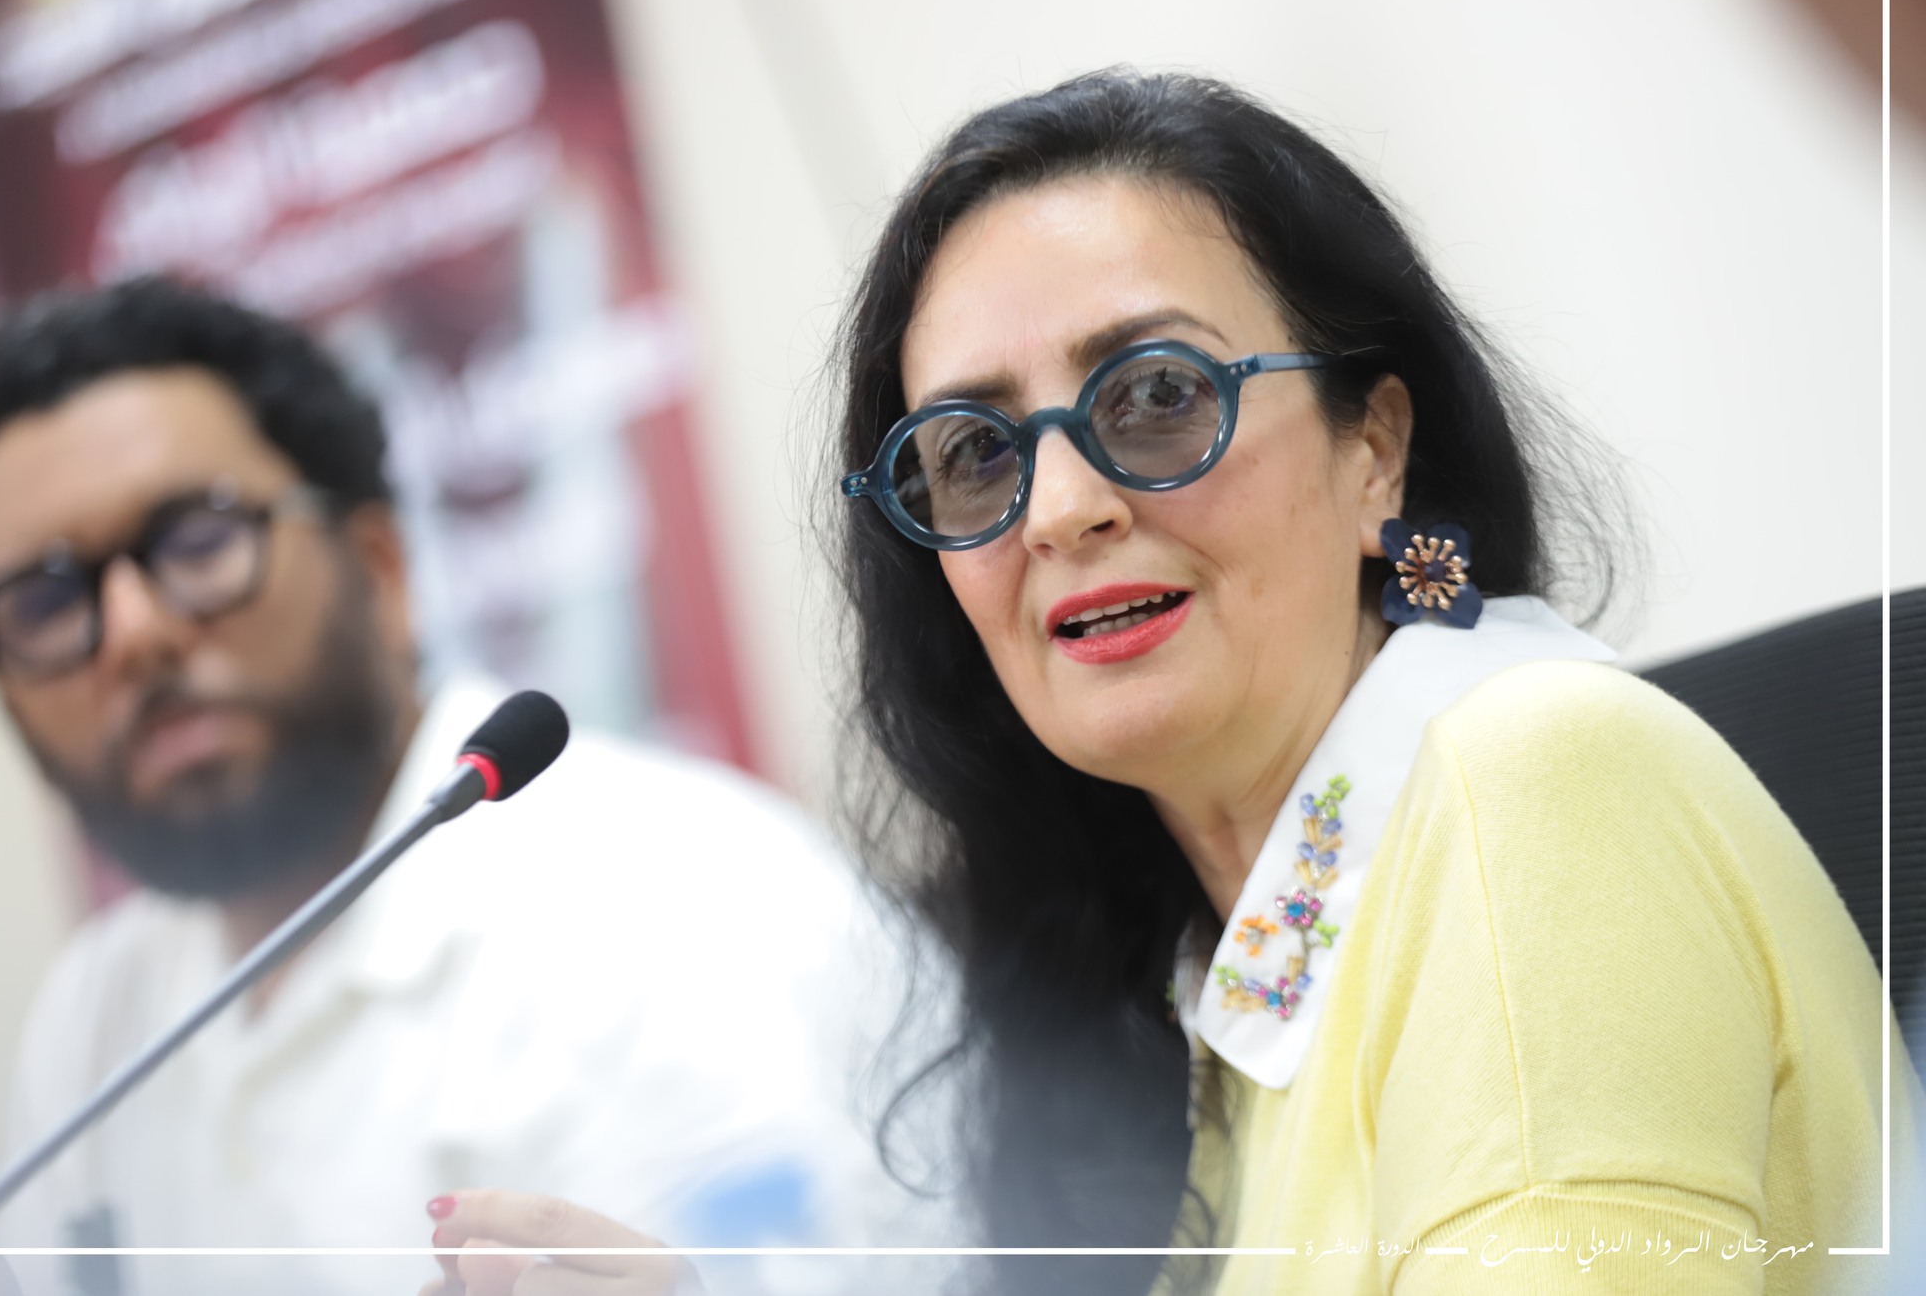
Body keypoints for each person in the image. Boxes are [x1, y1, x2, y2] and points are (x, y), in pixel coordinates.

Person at [431, 71, 1923, 1296]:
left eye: (1155, 395)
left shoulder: (1533, 786)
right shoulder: (1213, 983)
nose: (1061, 508)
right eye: (973, 453)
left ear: (1373, 448)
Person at [0, 277, 916, 1296]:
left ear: (381, 568)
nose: (133, 634)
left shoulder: (692, 907)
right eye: (44, 603)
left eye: (199, 542)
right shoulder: (92, 1020)